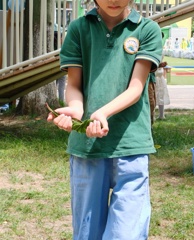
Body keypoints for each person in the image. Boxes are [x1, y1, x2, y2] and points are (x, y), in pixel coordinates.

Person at [47, 0, 163, 238]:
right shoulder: (79, 28)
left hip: (131, 144)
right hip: (87, 148)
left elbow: (136, 88)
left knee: (126, 234)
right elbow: (74, 85)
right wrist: (77, 111)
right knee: (87, 233)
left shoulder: (147, 29)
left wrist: (102, 113)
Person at [54, 29, 67, 103]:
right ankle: (61, 101)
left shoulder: (53, 48)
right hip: (61, 68)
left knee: (59, 85)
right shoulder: (62, 47)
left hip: (59, 68)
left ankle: (60, 101)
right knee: (61, 86)